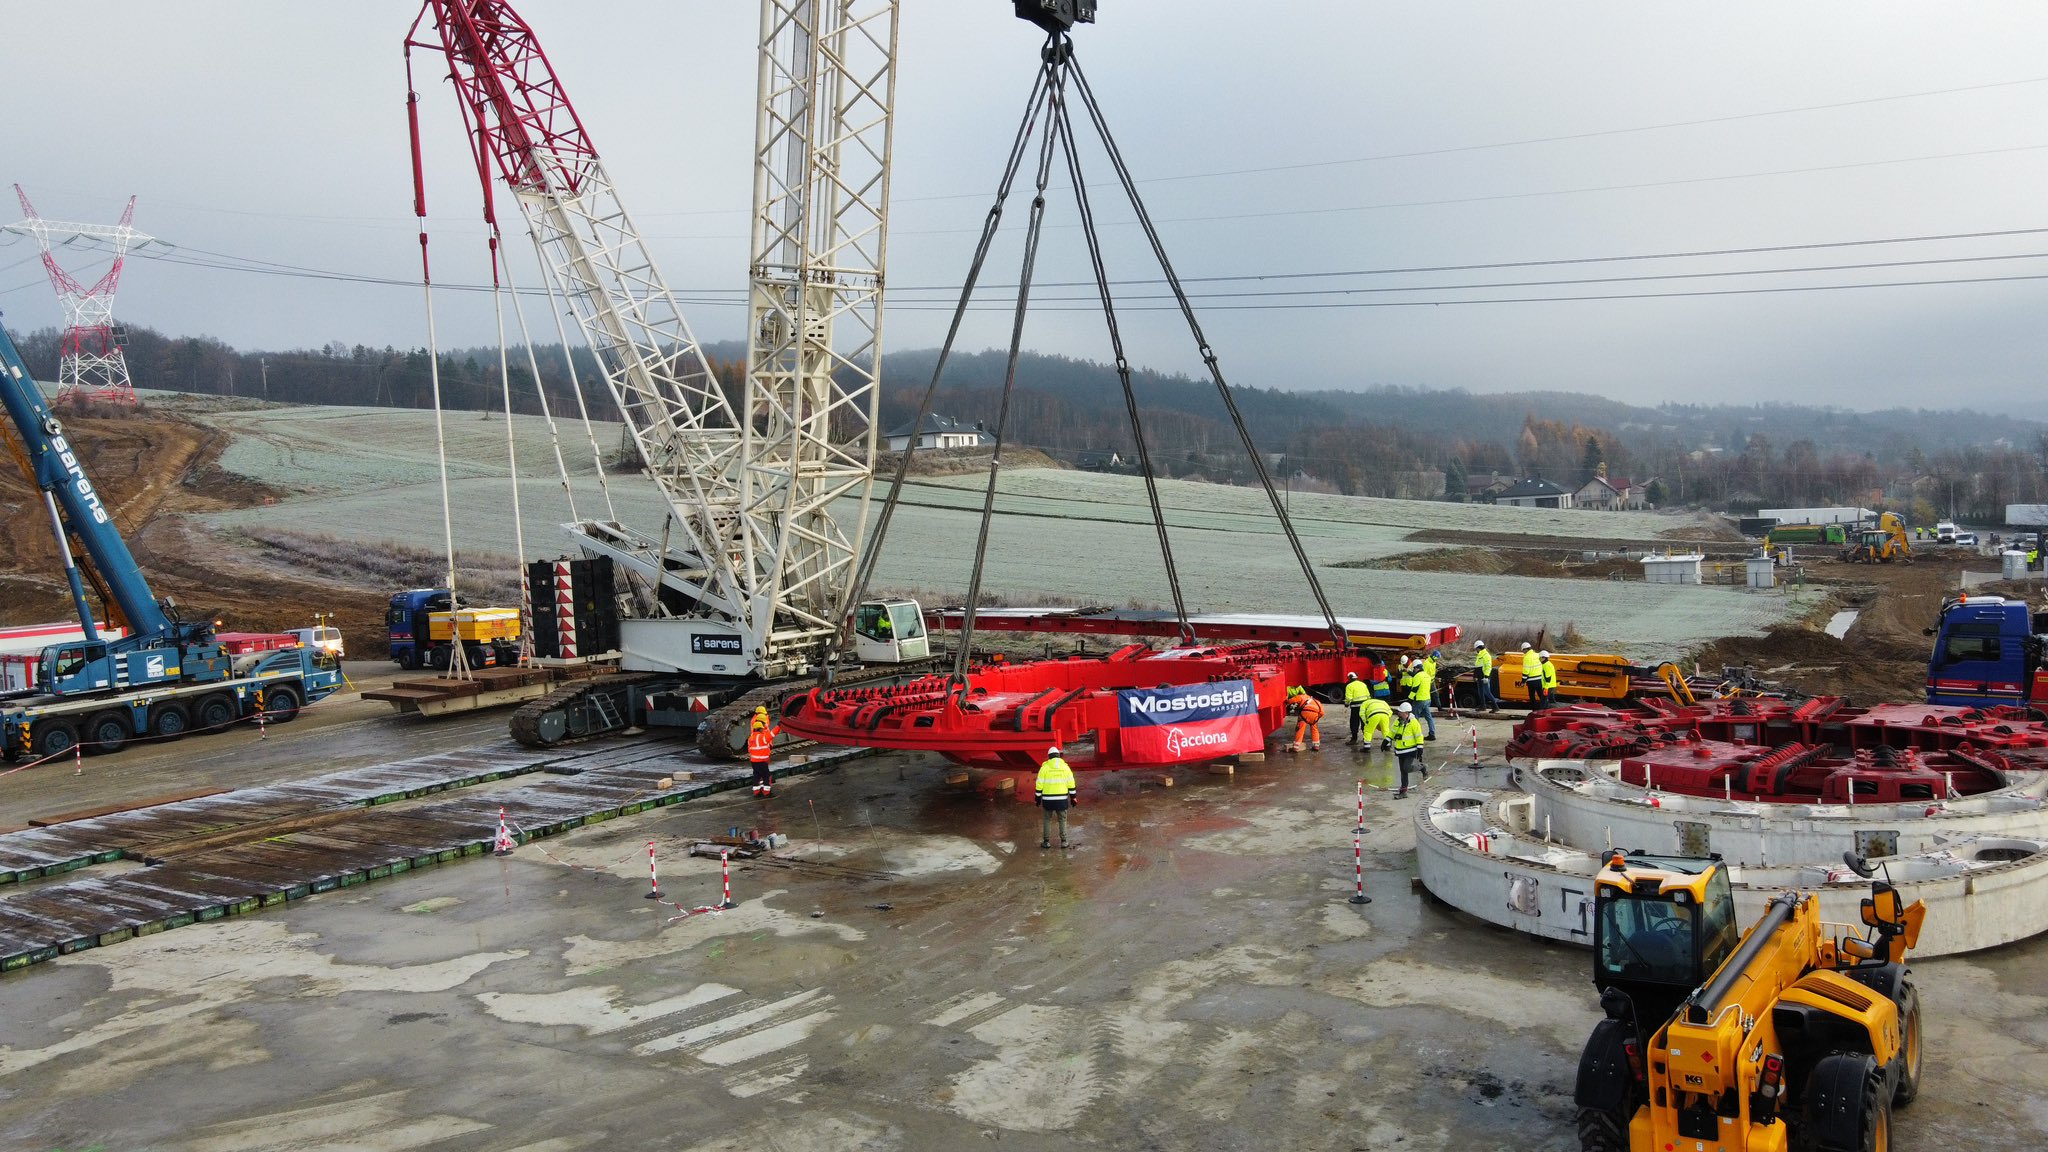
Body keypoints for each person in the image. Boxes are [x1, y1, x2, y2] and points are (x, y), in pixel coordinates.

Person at [1035, 744, 1077, 849]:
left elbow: (1039, 784)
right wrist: (1073, 797)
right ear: (1058, 756)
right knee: (1062, 820)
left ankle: (1046, 842)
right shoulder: (1065, 768)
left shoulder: (1044, 768)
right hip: (1062, 800)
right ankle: (1064, 842)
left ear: (1049, 757)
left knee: (1047, 820)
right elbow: (1071, 784)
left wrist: (1038, 798)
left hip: (1048, 800)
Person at [1391, 701, 1428, 797]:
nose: (1398, 713)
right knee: (1403, 772)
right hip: (1400, 751)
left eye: (1400, 712)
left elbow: (1419, 735)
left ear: (1406, 713)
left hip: (1410, 751)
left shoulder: (1414, 723)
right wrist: (1386, 740)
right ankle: (1403, 792)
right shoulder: (1397, 721)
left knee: (1407, 768)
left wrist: (1420, 747)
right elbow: (1393, 732)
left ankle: (1422, 767)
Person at [747, 705, 780, 797]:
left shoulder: (751, 738)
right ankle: (767, 792)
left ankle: (756, 792)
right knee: (766, 776)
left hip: (754, 761)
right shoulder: (763, 737)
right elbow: (772, 733)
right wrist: (779, 726)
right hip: (763, 760)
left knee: (756, 776)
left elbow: (750, 748)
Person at [1285, 686, 1324, 752]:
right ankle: (1316, 746)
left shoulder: (1302, 696)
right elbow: (1322, 712)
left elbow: (1292, 700)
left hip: (1305, 713)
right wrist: (1316, 718)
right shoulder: (1316, 701)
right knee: (1314, 729)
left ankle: (1296, 747)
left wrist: (1287, 702)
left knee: (1300, 729)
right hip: (1315, 715)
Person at [1408, 652, 1437, 741]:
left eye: (1414, 668)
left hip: (1419, 700)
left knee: (1415, 718)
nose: (1414, 670)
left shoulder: (1417, 676)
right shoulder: (1427, 676)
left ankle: (1417, 736)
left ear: (1417, 668)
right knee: (1429, 718)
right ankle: (1432, 734)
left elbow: (1415, 689)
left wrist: (1409, 699)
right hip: (1427, 700)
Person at [1343, 671, 1370, 744]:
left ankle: (1354, 739)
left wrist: (1346, 704)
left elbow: (1348, 698)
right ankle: (1366, 739)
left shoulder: (1349, 686)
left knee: (1354, 723)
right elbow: (1368, 696)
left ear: (1350, 678)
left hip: (1355, 707)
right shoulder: (1363, 684)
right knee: (1364, 722)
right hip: (1364, 707)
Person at [1472, 639, 1499, 713]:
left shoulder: (1486, 655)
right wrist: (1475, 676)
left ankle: (1495, 706)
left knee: (1487, 692)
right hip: (1480, 677)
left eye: (1476, 649)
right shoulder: (1479, 655)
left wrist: (1486, 677)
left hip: (1484, 677)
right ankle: (1483, 706)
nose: (1476, 650)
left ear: (1478, 648)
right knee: (1480, 692)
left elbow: (1488, 667)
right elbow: (1477, 666)